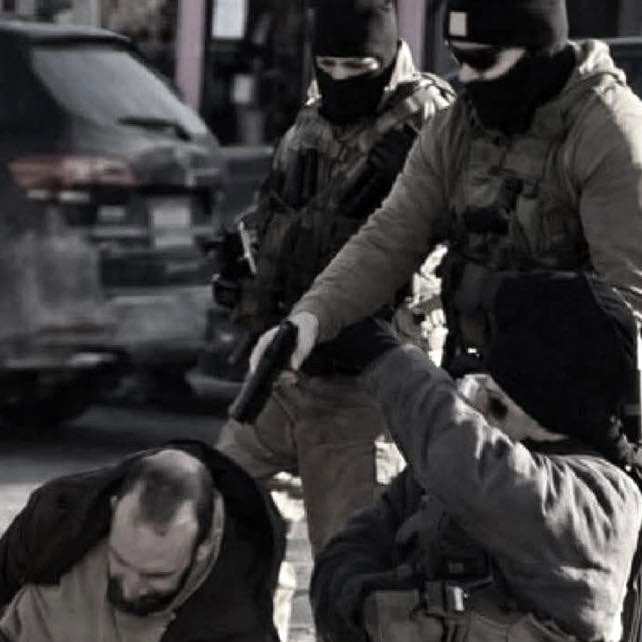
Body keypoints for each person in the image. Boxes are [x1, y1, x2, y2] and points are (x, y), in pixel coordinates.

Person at [251, 0, 642, 408]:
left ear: (539, 51)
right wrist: (310, 319)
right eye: (460, 59)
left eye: (484, 61)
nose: (466, 78)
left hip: (571, 408)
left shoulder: (608, 131)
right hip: (475, 390)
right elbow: (390, 237)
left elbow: (629, 307)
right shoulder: (456, 127)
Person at [214, 0, 454, 555]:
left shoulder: (432, 122)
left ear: (387, 55)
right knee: (218, 520)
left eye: (357, 67)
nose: (341, 79)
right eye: (329, 65)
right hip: (285, 368)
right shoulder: (312, 116)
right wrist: (248, 271)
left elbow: (460, 242)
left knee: (352, 564)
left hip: (367, 384)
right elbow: (275, 211)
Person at [310, 272, 642, 642]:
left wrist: (388, 359)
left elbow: (483, 474)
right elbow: (354, 545)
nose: (477, 403)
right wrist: (362, 602)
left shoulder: (604, 500)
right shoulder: (456, 471)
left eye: (495, 400)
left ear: (542, 409)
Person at [0, 440, 285, 642]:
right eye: (120, 559)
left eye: (156, 575)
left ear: (203, 548)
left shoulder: (237, 612)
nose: (130, 588)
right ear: (114, 509)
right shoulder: (60, 514)